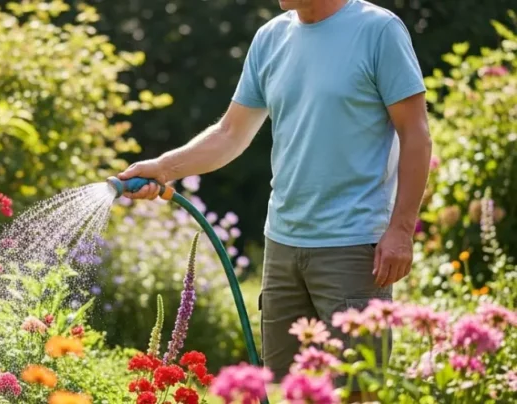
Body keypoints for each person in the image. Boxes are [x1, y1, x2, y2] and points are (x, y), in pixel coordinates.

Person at [118, 0, 432, 401]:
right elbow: (231, 133)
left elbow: (416, 133)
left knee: (354, 395)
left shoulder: (378, 31)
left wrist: (402, 229)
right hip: (283, 247)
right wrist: (163, 167)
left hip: (353, 248)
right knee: (286, 392)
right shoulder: (271, 38)